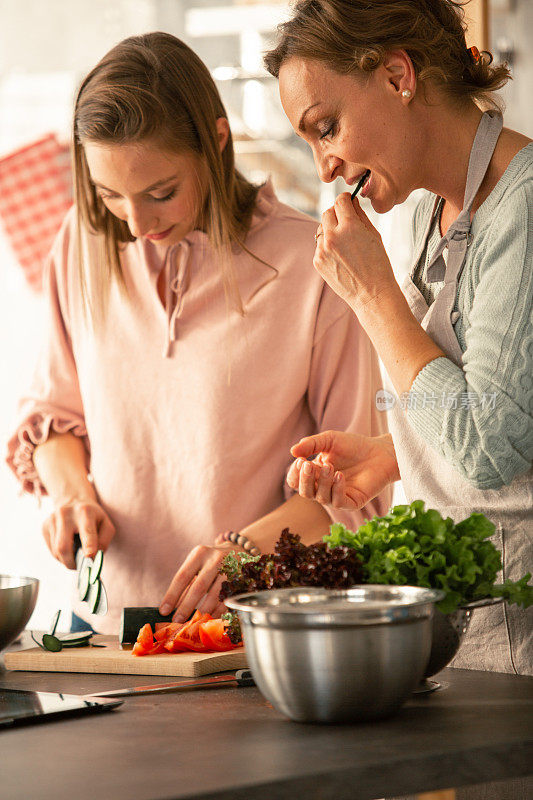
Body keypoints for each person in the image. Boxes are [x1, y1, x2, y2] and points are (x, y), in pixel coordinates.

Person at [6, 32, 391, 635]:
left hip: (253, 632)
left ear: (216, 141)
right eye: (110, 195)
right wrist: (72, 495)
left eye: (161, 193)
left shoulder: (310, 262)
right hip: (102, 629)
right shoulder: (77, 247)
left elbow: (356, 487)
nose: (136, 224)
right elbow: (53, 415)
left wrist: (242, 547)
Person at [264, 0, 532, 684]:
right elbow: (503, 408)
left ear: (395, 74)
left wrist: (373, 295)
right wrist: (393, 455)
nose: (324, 165)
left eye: (325, 128)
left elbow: (490, 448)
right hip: (465, 644)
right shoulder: (425, 211)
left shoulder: (524, 210)